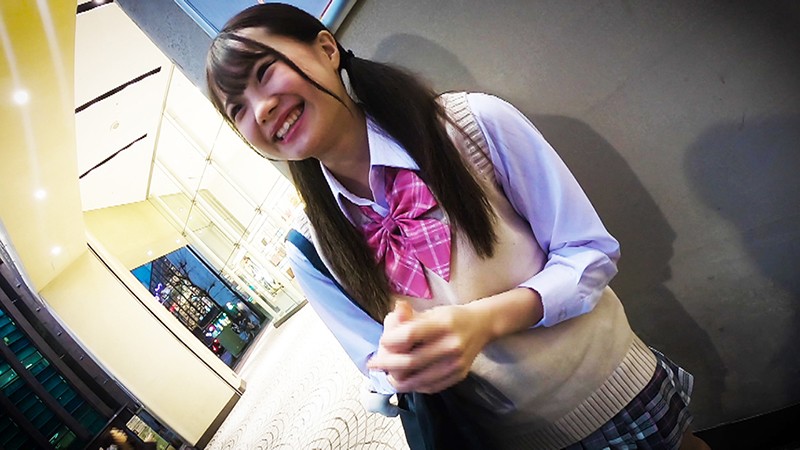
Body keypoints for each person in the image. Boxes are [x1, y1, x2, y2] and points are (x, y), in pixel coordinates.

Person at [205, 3, 710, 449]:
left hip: (610, 390)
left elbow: (589, 253)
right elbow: (375, 371)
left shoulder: (471, 125)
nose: (261, 109)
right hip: (505, 439)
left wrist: (483, 322)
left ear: (326, 48)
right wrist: (397, 368)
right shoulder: (311, 249)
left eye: (266, 73)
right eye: (237, 109)